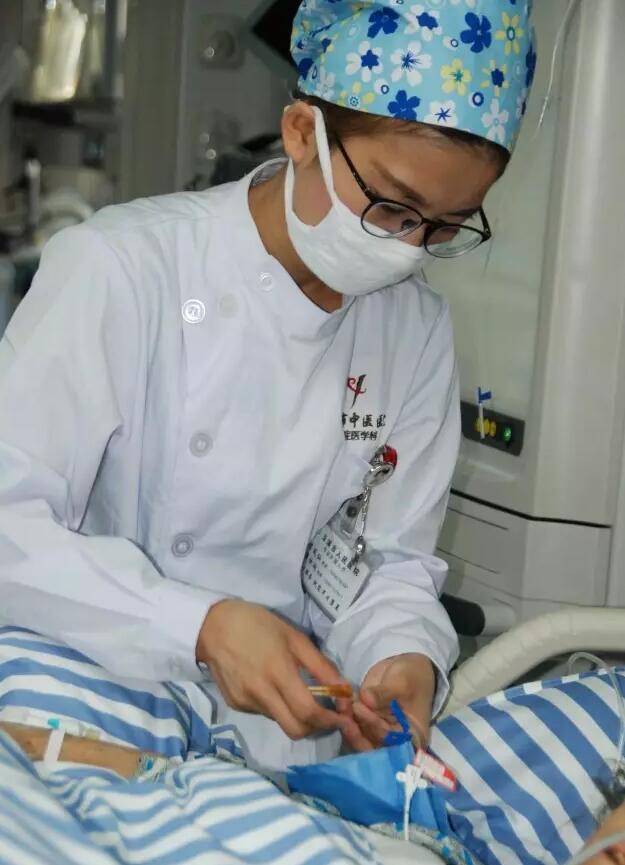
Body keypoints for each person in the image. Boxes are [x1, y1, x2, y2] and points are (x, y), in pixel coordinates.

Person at [0, 0, 536, 770]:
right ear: (301, 134)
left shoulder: (413, 331)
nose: (409, 248)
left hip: (277, 729)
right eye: (391, 206)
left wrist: (401, 654)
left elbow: (386, 561)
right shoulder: (122, 269)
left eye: (446, 226)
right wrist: (199, 624)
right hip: (91, 690)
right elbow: (9, 528)